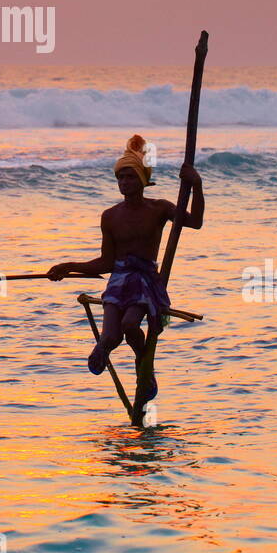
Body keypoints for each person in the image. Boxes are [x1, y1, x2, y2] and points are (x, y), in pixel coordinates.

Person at [48, 134, 204, 401]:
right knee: (109, 337)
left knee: (131, 323)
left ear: (142, 181)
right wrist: (68, 266)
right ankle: (109, 352)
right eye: (120, 178)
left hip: (144, 282)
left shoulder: (159, 208)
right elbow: (106, 263)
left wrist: (196, 185)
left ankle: (144, 368)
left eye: (130, 177)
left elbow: (195, 222)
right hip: (118, 282)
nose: (124, 183)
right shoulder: (110, 216)